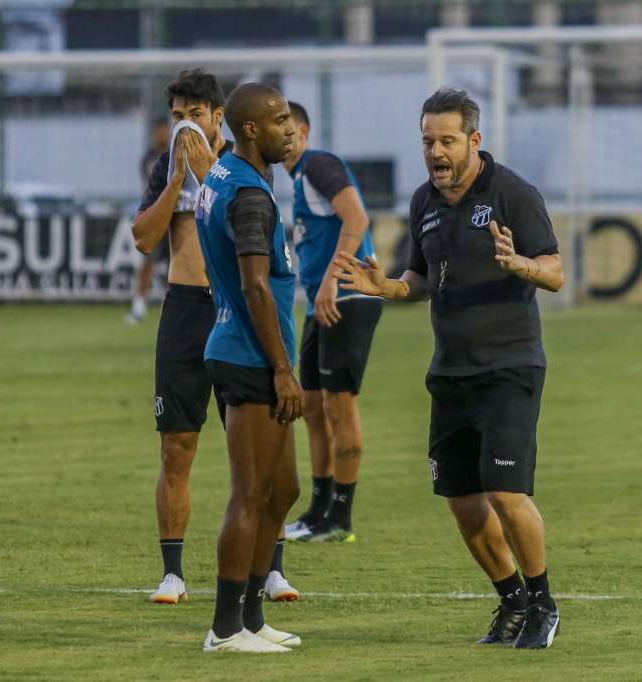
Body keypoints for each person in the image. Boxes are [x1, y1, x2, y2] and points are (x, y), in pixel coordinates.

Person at [334, 88, 564, 650]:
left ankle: (543, 603)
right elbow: (420, 278)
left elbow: (556, 272)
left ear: (473, 141)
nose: (435, 151)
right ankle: (510, 600)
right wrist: (386, 287)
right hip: (451, 373)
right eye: (427, 141)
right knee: (462, 501)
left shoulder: (513, 193)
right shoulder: (424, 203)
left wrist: (520, 264)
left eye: (446, 140)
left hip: (509, 367)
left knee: (506, 492)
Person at [131, 70, 299, 607]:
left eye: (194, 115)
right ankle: (173, 573)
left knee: (257, 450)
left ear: (219, 117)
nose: (184, 124)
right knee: (177, 444)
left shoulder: (244, 165)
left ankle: (270, 570)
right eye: (176, 115)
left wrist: (202, 174)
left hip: (235, 313)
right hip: (184, 310)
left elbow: (239, 230)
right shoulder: (168, 167)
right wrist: (177, 179)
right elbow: (144, 238)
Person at [195, 82, 303, 653]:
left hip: (248, 347)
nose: (291, 128)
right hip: (250, 355)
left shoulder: (225, 174)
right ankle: (224, 628)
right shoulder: (251, 196)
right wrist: (284, 369)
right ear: (252, 130)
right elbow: (256, 284)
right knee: (250, 492)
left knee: (283, 490)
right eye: (281, 119)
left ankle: (254, 618)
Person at [281, 102, 382, 543]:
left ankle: (341, 515)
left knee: (340, 408)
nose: (280, 134)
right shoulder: (299, 177)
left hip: (347, 297)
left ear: (303, 130)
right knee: (313, 407)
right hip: (321, 301)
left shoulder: (318, 163)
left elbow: (357, 218)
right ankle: (318, 510)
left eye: (287, 126)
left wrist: (329, 282)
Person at [126, 118, 171, 324]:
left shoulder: (178, 154)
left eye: (164, 131)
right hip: (155, 218)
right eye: (158, 132)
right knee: (147, 262)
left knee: (179, 263)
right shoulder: (148, 160)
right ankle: (139, 306)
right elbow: (150, 189)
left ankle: (172, 305)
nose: (161, 135)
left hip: (176, 219)